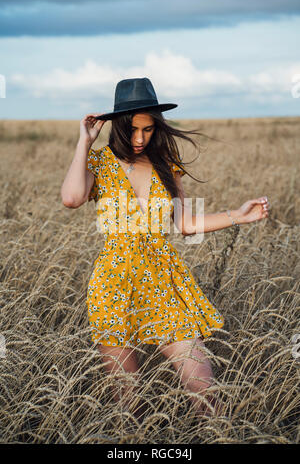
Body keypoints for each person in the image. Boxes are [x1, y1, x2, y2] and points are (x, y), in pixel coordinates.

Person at [61, 77, 269, 422]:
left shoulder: (165, 165)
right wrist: (84, 142)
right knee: (130, 405)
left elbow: (185, 225)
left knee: (205, 391)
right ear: (118, 127)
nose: (141, 139)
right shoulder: (98, 162)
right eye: (133, 130)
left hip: (164, 282)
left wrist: (239, 216)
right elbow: (71, 198)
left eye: (148, 129)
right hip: (113, 284)